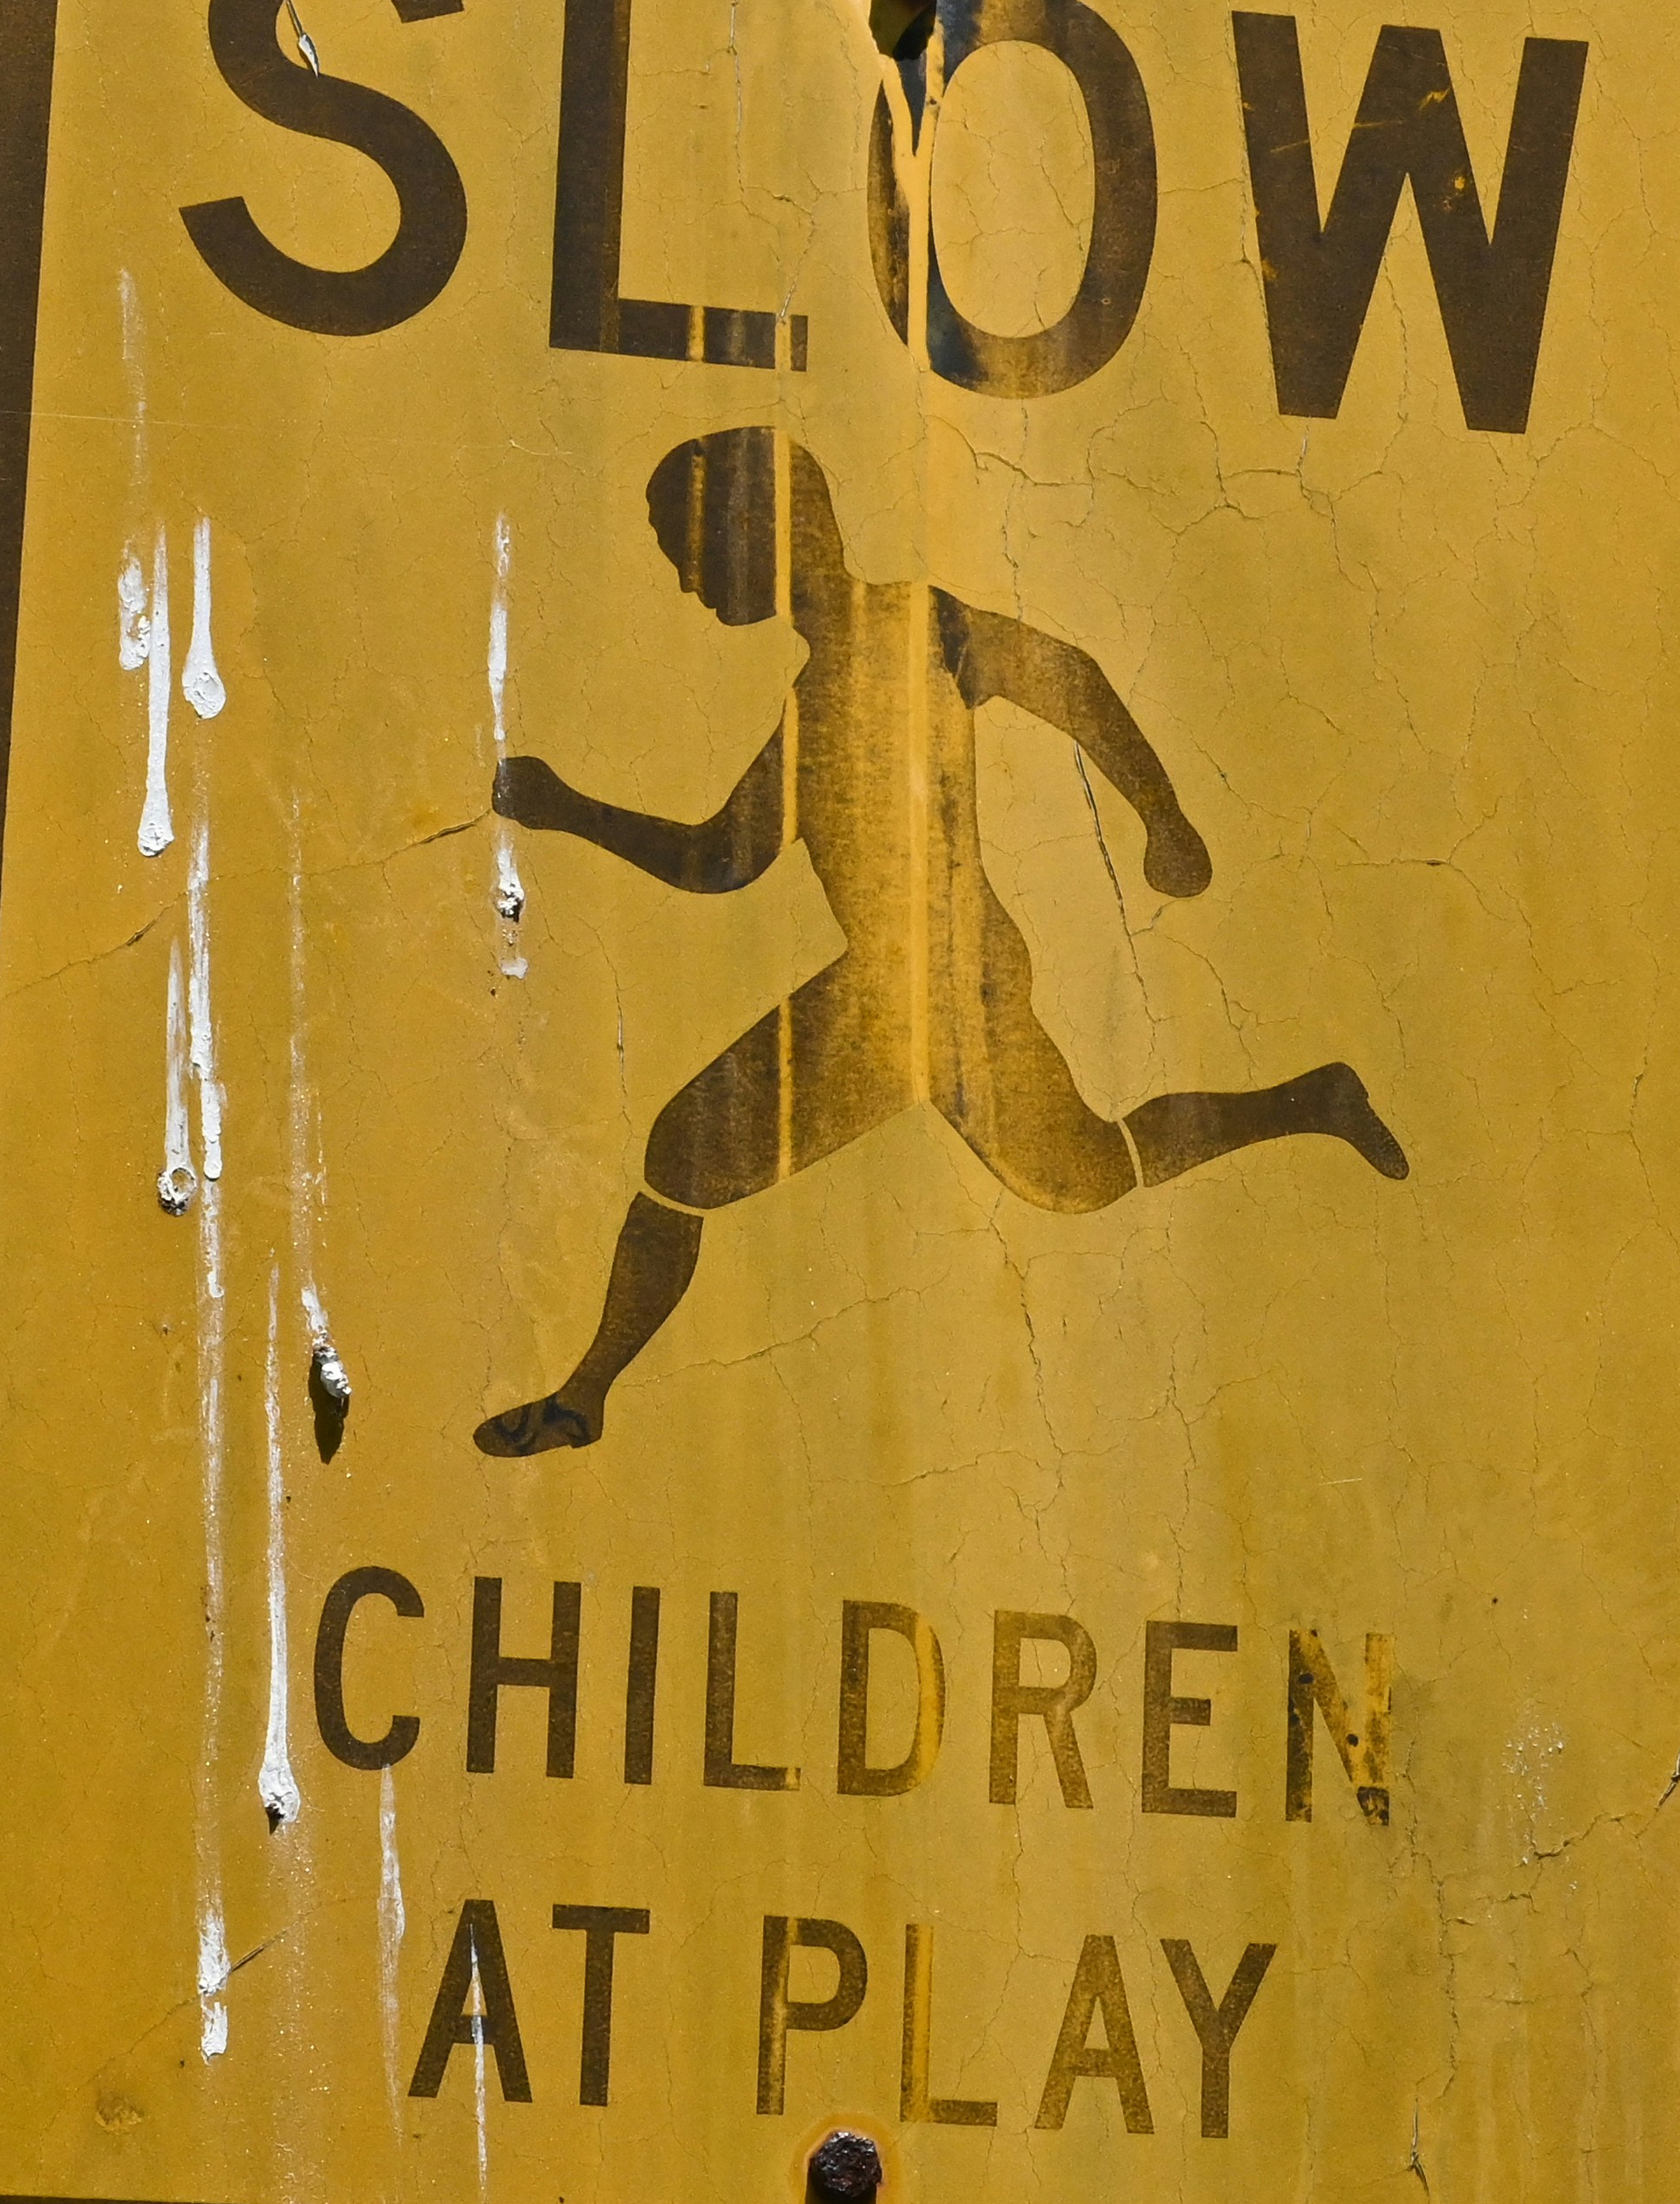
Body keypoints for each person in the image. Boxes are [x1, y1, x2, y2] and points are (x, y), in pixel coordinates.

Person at [476, 427, 1404, 1457]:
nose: (690, 581)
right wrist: (569, 810)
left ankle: (585, 1397)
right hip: (923, 981)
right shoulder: (820, 687)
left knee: (690, 1154)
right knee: (1082, 1171)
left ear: (761, 529)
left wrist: (1164, 817)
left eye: (690, 549)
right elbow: (724, 857)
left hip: (932, 986)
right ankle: (1309, 1099)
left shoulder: (917, 626)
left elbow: (1069, 678)